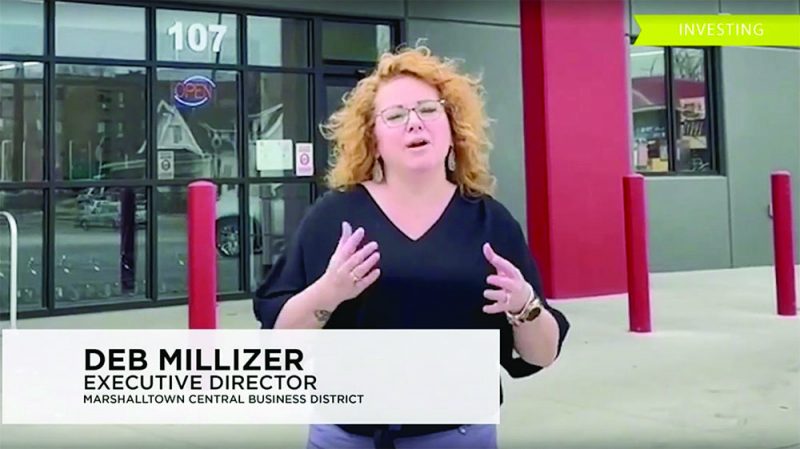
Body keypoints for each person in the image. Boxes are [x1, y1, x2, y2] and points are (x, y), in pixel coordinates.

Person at [254, 45, 570, 449]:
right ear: (373, 139)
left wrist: (524, 305)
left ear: (453, 128)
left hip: (458, 437)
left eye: (428, 109)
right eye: (395, 115)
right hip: (348, 438)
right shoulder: (333, 216)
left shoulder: (491, 223)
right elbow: (281, 340)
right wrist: (329, 292)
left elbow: (542, 354)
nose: (414, 123)